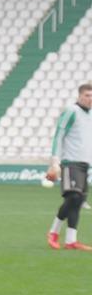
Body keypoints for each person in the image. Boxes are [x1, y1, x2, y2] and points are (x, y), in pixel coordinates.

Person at [46, 83, 92, 250]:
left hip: (84, 164)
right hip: (70, 163)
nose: (90, 99)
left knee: (78, 201)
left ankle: (71, 241)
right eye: (87, 95)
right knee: (73, 197)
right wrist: (55, 162)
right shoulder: (71, 111)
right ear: (80, 96)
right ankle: (53, 232)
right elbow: (59, 135)